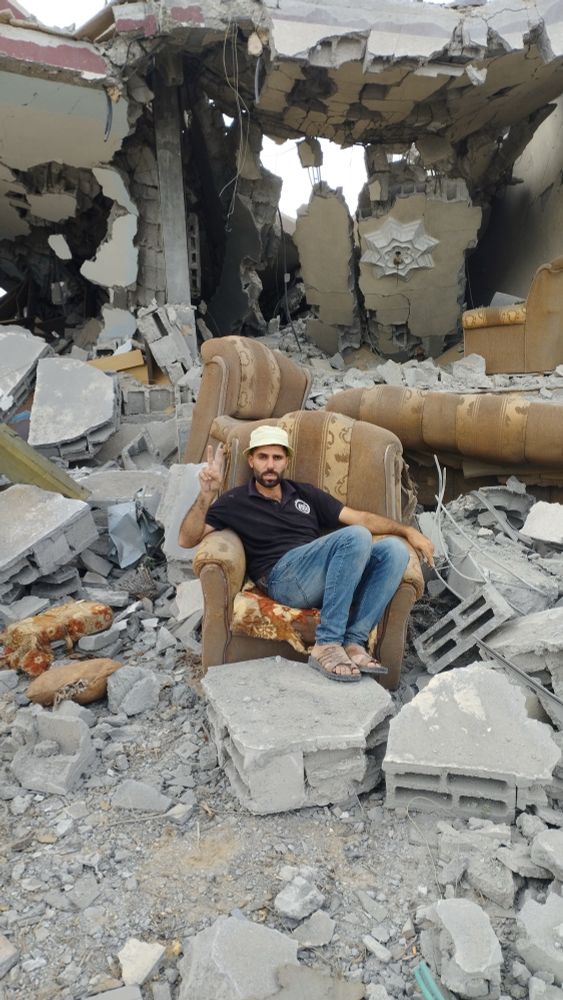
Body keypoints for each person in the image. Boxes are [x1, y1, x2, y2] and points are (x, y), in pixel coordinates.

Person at [178, 426, 434, 683]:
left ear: (286, 461)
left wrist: (408, 531)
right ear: (251, 460)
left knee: (394, 551)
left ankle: (354, 643)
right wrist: (207, 494)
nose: (270, 465)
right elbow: (186, 539)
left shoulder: (303, 493)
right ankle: (328, 643)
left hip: (320, 577)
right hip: (281, 578)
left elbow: (359, 517)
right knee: (356, 535)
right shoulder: (235, 500)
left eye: (277, 458)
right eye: (263, 457)